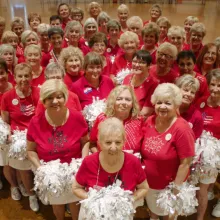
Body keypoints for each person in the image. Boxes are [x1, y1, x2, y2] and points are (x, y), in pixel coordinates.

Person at [27, 79, 89, 220]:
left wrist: (83, 161)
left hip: (74, 171)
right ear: (43, 100)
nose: (55, 101)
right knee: (57, 205)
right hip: (51, 174)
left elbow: (85, 141)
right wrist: (41, 169)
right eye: (50, 97)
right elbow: (30, 150)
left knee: (75, 203)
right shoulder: (35, 122)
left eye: (59, 96)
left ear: (65, 97)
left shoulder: (77, 117)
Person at [73, 117, 149, 219]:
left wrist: (129, 199)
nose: (113, 148)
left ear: (123, 141)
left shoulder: (133, 162)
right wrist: (94, 199)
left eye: (118, 142)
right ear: (99, 142)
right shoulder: (89, 162)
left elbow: (144, 188)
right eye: (108, 142)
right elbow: (76, 187)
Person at [141, 83, 195, 220]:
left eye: (168, 103)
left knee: (168, 217)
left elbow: (185, 163)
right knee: (153, 213)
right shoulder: (149, 121)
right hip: (149, 184)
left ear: (176, 105)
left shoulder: (182, 128)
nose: (162, 106)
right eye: (159, 102)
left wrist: (176, 189)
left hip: (169, 188)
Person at [1, 63, 40, 211]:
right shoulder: (7, 96)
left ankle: (39, 191)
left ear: (32, 77)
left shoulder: (38, 92)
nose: (23, 79)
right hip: (18, 138)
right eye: (20, 76)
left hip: (36, 135)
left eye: (26, 76)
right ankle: (31, 195)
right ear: (15, 77)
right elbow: (5, 121)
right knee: (24, 169)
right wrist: (10, 136)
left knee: (37, 167)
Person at [195, 69, 220, 220]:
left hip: (214, 155)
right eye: (213, 84)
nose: (216, 89)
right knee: (200, 186)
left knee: (203, 187)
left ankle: (199, 218)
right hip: (198, 151)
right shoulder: (201, 101)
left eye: (219, 85)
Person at [89, 85, 143, 153]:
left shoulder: (139, 120)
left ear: (133, 103)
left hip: (131, 162)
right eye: (119, 99)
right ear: (113, 101)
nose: (123, 102)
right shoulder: (102, 119)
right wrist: (99, 156)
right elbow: (92, 144)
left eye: (128, 99)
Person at [123, 50, 158, 117]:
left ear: (149, 65)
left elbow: (146, 112)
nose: (136, 65)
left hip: (139, 120)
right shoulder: (127, 78)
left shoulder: (153, 83)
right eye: (135, 61)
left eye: (142, 62)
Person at [175, 74, 203, 139]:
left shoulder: (197, 116)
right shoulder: (169, 108)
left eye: (192, 92)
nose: (188, 94)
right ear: (177, 89)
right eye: (186, 90)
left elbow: (194, 141)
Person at [0, 58, 13, 189]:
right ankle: (14, 186)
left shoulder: (13, 86)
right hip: (1, 131)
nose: (0, 77)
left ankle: (20, 183)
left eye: (2, 72)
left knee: (13, 162)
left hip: (13, 128)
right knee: (5, 163)